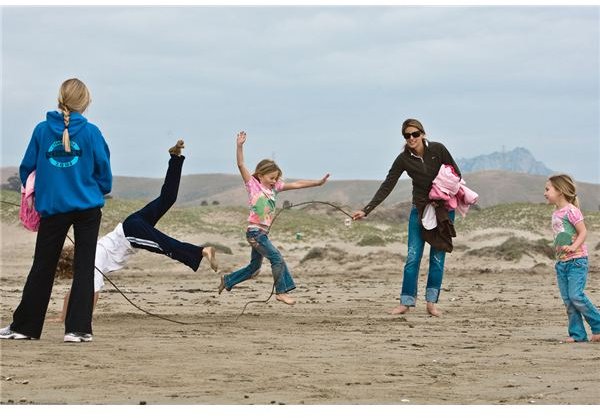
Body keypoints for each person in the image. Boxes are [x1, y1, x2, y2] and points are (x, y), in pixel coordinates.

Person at [48, 140, 220, 323]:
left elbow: (93, 292)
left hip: (131, 233)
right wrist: (62, 318)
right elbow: (74, 291)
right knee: (166, 199)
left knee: (164, 245)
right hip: (132, 223)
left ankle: (201, 251)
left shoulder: (92, 259)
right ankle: (175, 158)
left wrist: (84, 319)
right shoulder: (90, 255)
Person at [0, 78, 112, 343]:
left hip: (54, 208)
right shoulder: (92, 132)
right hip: (87, 208)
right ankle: (78, 329)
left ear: (61, 98)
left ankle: (25, 327)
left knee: (43, 266)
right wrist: (89, 187)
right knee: (85, 267)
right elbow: (104, 175)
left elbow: (27, 169)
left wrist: (47, 189)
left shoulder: (41, 130)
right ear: (85, 103)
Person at [352, 118, 461, 317]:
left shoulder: (438, 150)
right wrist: (366, 210)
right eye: (407, 135)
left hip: (443, 211)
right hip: (419, 211)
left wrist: (439, 191)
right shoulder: (403, 159)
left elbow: (456, 175)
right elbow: (388, 184)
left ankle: (431, 303)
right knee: (412, 257)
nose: (411, 138)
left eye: (415, 134)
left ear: (422, 134)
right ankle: (406, 302)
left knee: (437, 258)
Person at [218, 131, 329, 305]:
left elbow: (297, 184)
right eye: (271, 178)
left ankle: (228, 280)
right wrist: (239, 146)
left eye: (276, 178)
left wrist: (317, 183)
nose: (274, 180)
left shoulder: (274, 188)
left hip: (262, 234)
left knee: (254, 268)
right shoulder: (253, 185)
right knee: (277, 258)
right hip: (255, 233)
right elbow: (240, 164)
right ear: (260, 175)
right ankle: (281, 292)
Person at [544, 174, 600, 343]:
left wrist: (573, 247)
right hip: (562, 263)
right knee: (568, 300)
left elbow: (583, 232)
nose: (545, 193)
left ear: (560, 191)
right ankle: (578, 334)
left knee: (576, 296)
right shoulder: (556, 213)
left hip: (577, 261)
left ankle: (598, 326)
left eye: (548, 189)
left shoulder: (572, 211)